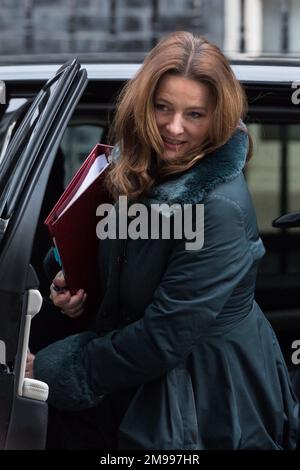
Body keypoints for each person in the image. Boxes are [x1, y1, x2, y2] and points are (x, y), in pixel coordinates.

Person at [28, 31, 299, 450]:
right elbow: (126, 266)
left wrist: (50, 370)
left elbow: (162, 336)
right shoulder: (133, 170)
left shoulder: (218, 208)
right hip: (140, 386)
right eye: (163, 107)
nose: (174, 128)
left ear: (219, 117)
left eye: (195, 114)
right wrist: (74, 283)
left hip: (204, 403)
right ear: (144, 104)